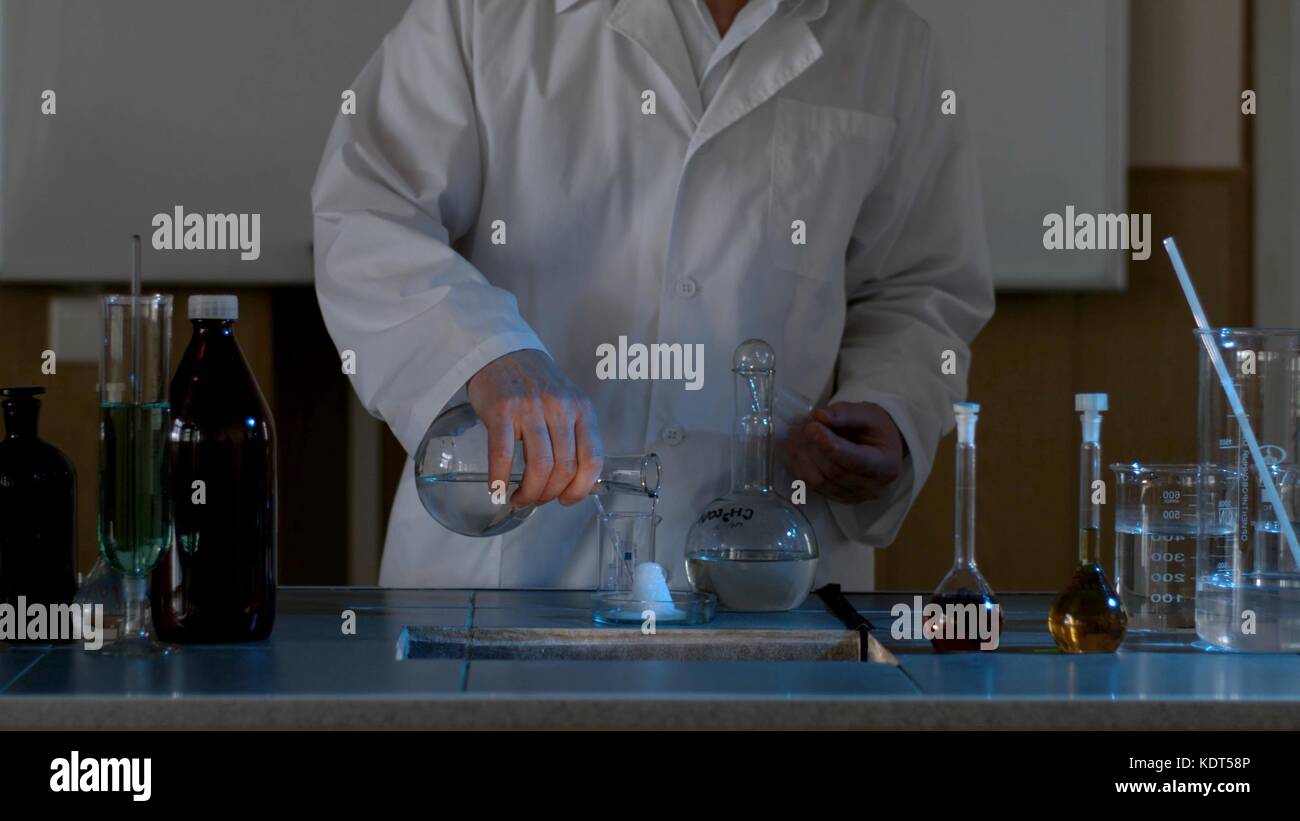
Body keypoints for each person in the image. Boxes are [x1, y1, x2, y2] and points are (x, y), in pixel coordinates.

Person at [312, 0, 994, 589]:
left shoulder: (889, 45)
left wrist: (890, 408)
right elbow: (366, 212)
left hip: (769, 595)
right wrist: (481, 353)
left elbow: (920, 286)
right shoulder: (485, 15)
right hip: (504, 580)